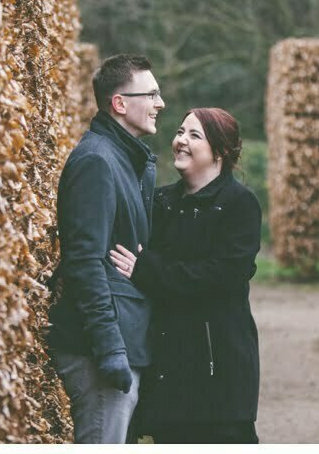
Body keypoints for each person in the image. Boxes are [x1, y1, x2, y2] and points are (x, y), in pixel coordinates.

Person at [109, 107, 262, 444]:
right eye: (180, 132)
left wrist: (146, 269)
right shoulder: (161, 201)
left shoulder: (239, 203)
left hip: (217, 364)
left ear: (220, 151)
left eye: (194, 135)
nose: (180, 141)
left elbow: (221, 276)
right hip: (167, 360)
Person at [46, 54, 165, 443]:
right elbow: (84, 262)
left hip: (121, 341)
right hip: (100, 350)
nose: (159, 104)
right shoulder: (97, 161)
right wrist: (111, 350)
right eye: (151, 94)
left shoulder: (123, 159)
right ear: (119, 103)